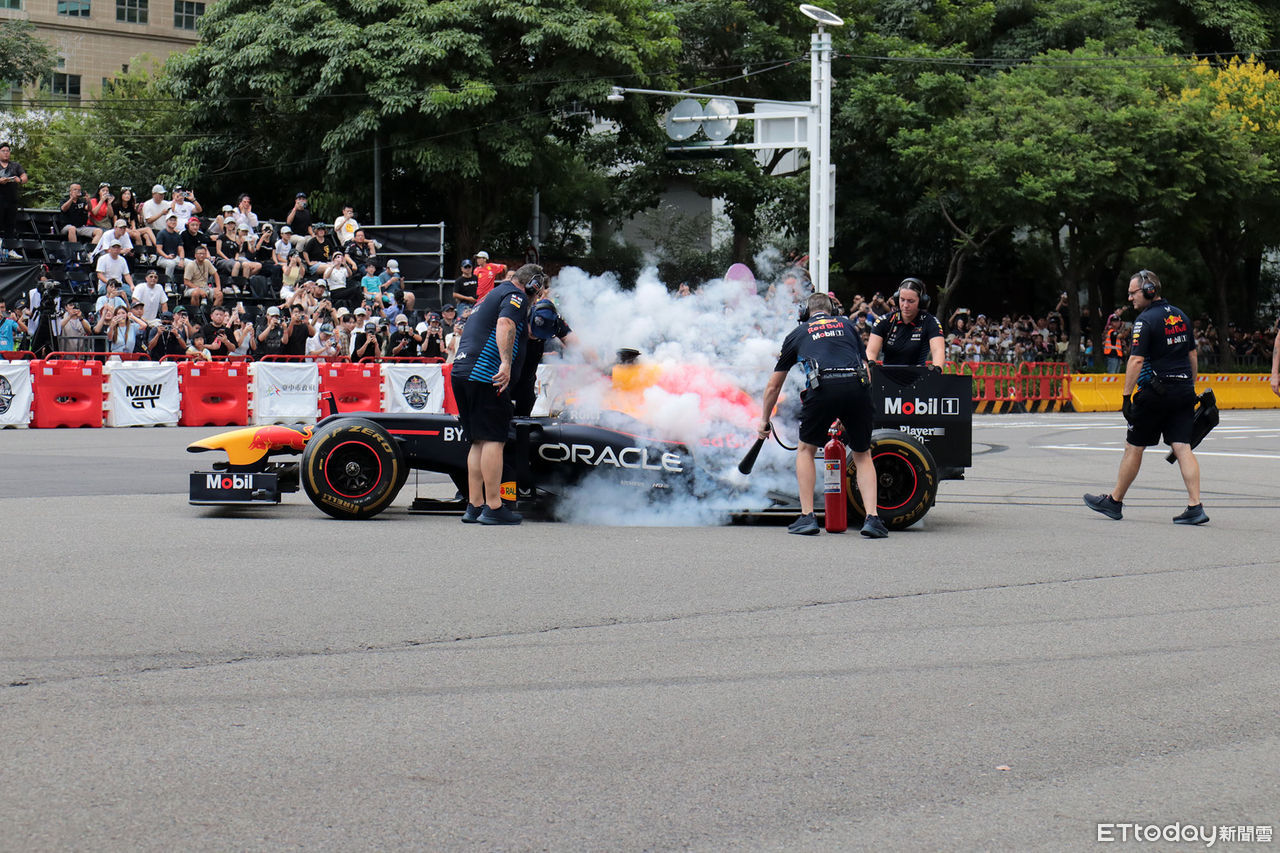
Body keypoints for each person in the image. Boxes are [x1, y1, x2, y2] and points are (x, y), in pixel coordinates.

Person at [1085, 270, 1207, 525]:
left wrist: (1127, 397)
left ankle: (1115, 501)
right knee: (1183, 447)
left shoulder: (1145, 320)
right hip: (1184, 391)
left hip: (1155, 393)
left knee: (1134, 446)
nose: (1130, 298)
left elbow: (1136, 359)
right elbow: (1192, 356)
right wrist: (1190, 386)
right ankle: (1195, 506)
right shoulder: (1181, 315)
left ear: (1149, 290)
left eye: (1133, 292)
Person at [758, 292, 885, 537]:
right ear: (833, 311)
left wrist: (764, 420)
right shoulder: (848, 325)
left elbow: (774, 386)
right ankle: (873, 519)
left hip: (823, 387)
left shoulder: (797, 333)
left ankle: (807, 517)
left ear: (804, 313)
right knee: (862, 453)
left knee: (806, 450)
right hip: (857, 388)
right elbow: (866, 367)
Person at [450, 263, 543, 525]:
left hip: (462, 371)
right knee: (494, 439)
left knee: (478, 440)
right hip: (485, 374)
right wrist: (505, 363)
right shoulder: (515, 296)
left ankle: (474, 505)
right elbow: (504, 323)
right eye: (538, 290)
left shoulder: (489, 296)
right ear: (532, 284)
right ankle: (493, 506)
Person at [513, 295, 578, 416]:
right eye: (533, 330)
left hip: (527, 379)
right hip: (509, 374)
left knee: (527, 402)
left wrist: (597, 364)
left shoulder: (556, 322)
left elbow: (577, 345)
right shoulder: (517, 318)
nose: (534, 334)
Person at [864, 277, 945, 368]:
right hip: (888, 376)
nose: (905, 305)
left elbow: (938, 350)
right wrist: (870, 365)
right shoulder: (884, 321)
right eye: (902, 300)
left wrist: (937, 370)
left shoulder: (930, 322)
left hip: (918, 377)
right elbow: (871, 351)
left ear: (921, 301)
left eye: (911, 301)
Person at [0, 142, 29, 252]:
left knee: (10, 227)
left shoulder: (15, 165)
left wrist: (20, 180)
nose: (6, 153)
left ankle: (10, 250)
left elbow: (24, 177)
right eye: (3, 151)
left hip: (11, 200)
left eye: (8, 151)